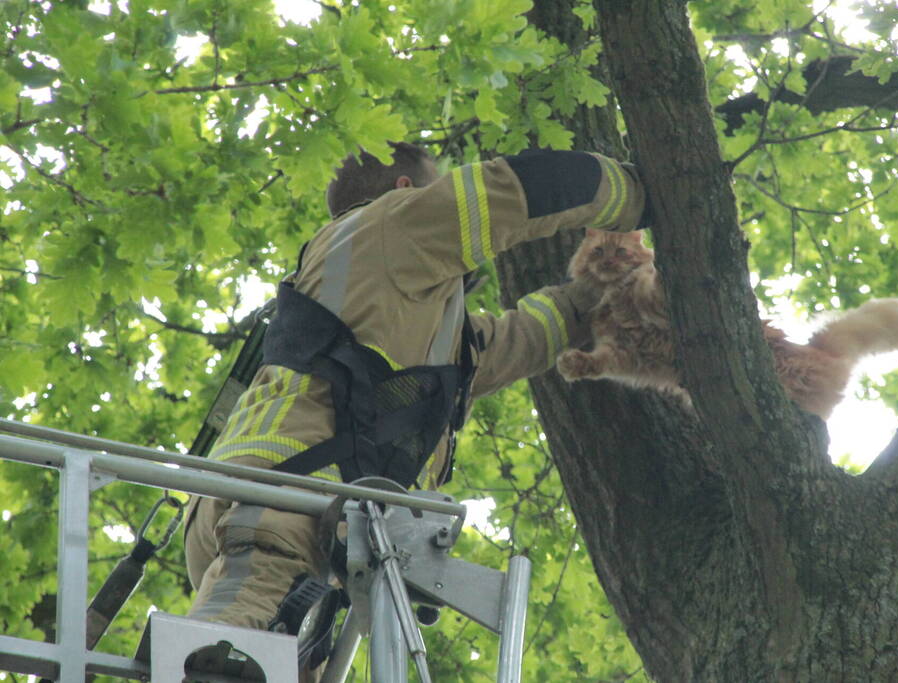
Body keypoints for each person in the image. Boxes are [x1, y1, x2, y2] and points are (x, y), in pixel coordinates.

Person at [183, 142, 649, 671]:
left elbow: (515, 341)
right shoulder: (390, 225)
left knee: (273, 662)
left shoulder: (397, 306)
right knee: (227, 656)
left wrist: (607, 290)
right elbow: (504, 193)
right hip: (288, 497)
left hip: (292, 504)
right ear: (407, 192)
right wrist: (637, 192)